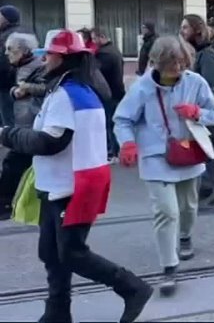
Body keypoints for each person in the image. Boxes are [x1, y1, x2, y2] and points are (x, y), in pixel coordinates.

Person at [0, 29, 153, 323]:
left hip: (70, 187)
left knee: (71, 253)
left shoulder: (67, 94)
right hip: (63, 183)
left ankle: (132, 288)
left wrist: (9, 134)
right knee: (51, 252)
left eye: (50, 55)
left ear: (63, 58)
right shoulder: (73, 88)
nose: (45, 60)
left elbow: (50, 141)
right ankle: (57, 311)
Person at [114, 36, 214, 296]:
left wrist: (197, 113)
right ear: (158, 62)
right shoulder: (141, 88)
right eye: (172, 63)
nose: (178, 68)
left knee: (187, 208)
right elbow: (122, 119)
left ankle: (185, 236)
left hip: (188, 152)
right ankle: (169, 267)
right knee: (166, 211)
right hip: (155, 157)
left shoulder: (195, 82)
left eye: (182, 62)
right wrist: (127, 143)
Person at [0, 33, 46, 220]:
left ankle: (5, 204)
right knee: (16, 164)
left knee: (14, 163)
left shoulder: (38, 67)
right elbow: (13, 90)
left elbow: (46, 88)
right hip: (24, 122)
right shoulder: (19, 67)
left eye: (11, 50)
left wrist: (27, 88)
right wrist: (16, 91)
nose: (7, 53)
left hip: (32, 123)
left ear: (24, 51)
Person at [180, 14, 214, 207]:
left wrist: (202, 112)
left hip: (204, 113)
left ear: (196, 30)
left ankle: (213, 190)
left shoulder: (208, 55)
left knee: (207, 150)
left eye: (185, 28)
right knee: (201, 150)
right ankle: (206, 188)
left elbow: (211, 88)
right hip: (197, 112)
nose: (182, 32)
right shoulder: (199, 52)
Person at [91, 28, 126, 162]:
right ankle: (117, 150)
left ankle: (112, 152)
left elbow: (97, 75)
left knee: (108, 124)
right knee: (114, 123)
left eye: (94, 38)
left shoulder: (103, 54)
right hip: (117, 91)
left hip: (108, 93)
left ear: (102, 37)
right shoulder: (114, 50)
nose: (93, 42)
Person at [0, 4, 25, 126]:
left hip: (7, 83)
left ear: (7, 19)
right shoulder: (15, 33)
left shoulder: (8, 36)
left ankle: (9, 141)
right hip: (11, 82)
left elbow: (5, 61)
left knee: (8, 117)